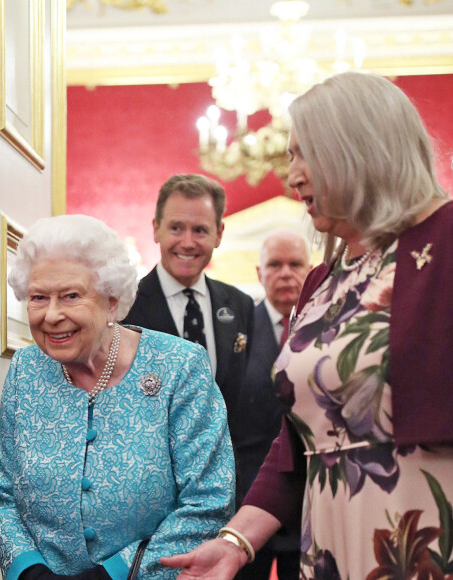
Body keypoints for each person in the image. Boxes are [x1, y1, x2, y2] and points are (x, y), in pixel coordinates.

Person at [161, 71, 453, 580]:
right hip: (328, 547)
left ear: (358, 147)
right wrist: (235, 542)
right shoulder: (323, 278)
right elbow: (298, 442)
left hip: (423, 538)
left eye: (303, 154)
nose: (292, 174)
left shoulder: (446, 241)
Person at [0, 214, 235, 580]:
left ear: (112, 302)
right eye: (39, 297)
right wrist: (28, 570)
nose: (52, 315)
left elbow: (208, 502)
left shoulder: (179, 367)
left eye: (71, 296)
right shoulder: (26, 369)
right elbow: (0, 498)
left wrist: (114, 574)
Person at [123, 174, 254, 426]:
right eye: (176, 228)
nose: (187, 242)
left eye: (200, 230)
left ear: (218, 234)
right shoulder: (124, 306)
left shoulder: (241, 306)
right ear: (155, 229)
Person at [230, 230, 310, 580]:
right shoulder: (234, 331)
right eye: (275, 265)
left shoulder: (328, 330)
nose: (286, 273)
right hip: (247, 497)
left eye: (295, 264)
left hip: (311, 503)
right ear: (259, 273)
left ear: (311, 270)